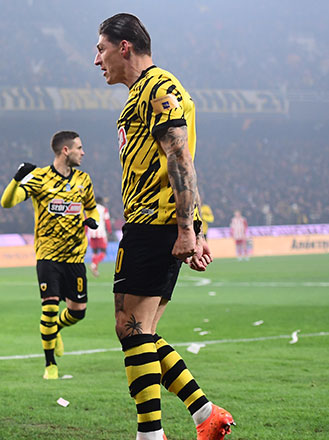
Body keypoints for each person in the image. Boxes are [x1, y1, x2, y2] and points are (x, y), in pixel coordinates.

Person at [95, 13, 234, 440]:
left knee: (132, 328)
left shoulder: (158, 87)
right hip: (152, 225)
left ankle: (151, 435)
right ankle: (205, 414)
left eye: (101, 49)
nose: (97, 60)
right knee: (138, 329)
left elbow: (179, 157)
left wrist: (188, 229)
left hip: (154, 225)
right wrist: (195, 228)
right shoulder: (141, 93)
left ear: (124, 46)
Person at [0, 130, 100, 380]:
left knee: (77, 312)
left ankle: (55, 329)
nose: (83, 152)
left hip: (75, 257)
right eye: (79, 148)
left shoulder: (83, 179)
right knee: (50, 308)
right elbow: (7, 202)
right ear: (66, 150)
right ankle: (50, 365)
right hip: (48, 256)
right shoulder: (39, 178)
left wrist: (93, 220)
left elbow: (91, 208)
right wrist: (17, 179)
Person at [87, 197, 113, 277]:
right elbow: (107, 221)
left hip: (91, 232)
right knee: (103, 252)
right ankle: (94, 264)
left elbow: (86, 219)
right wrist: (109, 231)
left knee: (95, 252)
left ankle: (95, 269)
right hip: (100, 233)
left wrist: (85, 231)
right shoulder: (103, 209)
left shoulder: (91, 209)